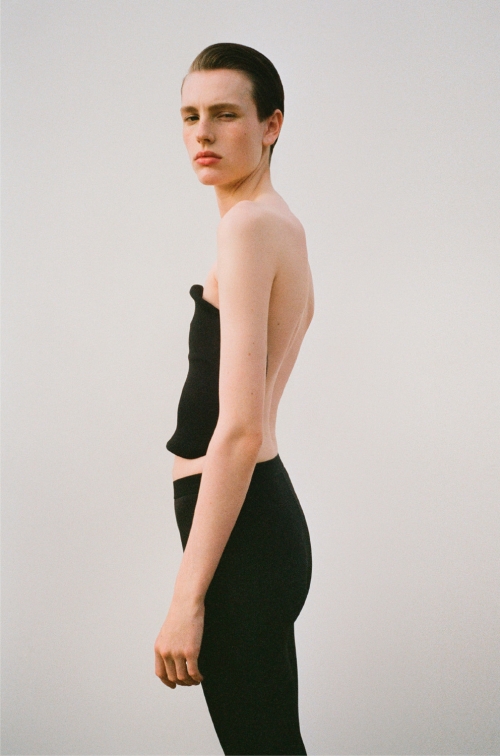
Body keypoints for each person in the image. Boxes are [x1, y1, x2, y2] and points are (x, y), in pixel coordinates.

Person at [154, 42, 314, 756]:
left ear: (271, 124)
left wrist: (186, 600)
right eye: (190, 116)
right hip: (258, 525)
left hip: (242, 536)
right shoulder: (278, 224)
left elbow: (241, 428)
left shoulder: (248, 226)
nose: (203, 133)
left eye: (225, 114)